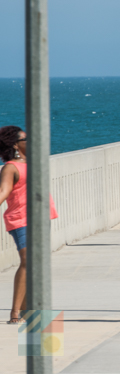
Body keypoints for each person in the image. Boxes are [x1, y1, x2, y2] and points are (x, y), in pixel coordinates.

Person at [0, 126, 58, 325]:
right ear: (15, 145)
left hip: (42, 218)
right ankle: (15, 312)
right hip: (21, 219)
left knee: (36, 264)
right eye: (26, 139)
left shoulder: (34, 164)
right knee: (28, 261)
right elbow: (3, 192)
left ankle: (28, 310)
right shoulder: (10, 167)